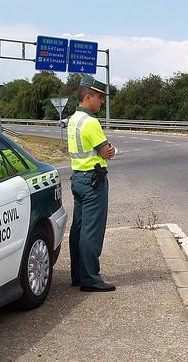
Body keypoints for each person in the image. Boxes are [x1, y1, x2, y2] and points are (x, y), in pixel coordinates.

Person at [68, 75, 116, 292]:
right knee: (91, 231)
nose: (102, 102)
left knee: (78, 228)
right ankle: (90, 279)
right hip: (93, 180)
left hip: (78, 177)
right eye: (99, 97)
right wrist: (110, 150)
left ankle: (78, 274)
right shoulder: (91, 122)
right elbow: (106, 152)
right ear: (88, 97)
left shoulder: (73, 119)